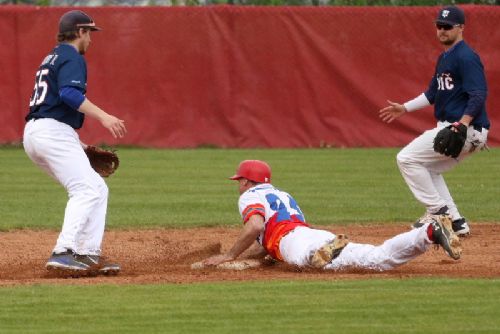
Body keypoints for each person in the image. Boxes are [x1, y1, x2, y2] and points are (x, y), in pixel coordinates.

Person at [201, 160, 461, 271]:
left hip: (293, 243)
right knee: (375, 259)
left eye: (240, 180)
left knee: (308, 261)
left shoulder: (249, 195)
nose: (239, 184)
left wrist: (229, 255)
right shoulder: (282, 194)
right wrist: (257, 256)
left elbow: (256, 226)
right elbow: (271, 234)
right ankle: (428, 232)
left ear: (247, 181)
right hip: (309, 234)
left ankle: (318, 255)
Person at [23, 10, 127, 275]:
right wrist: (104, 117)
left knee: (96, 188)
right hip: (51, 132)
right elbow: (68, 94)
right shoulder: (72, 56)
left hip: (40, 133)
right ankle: (63, 251)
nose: (91, 39)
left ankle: (88, 253)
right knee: (85, 189)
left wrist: (76, 144)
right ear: (80, 32)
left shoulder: (53, 56)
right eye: (90, 32)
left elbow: (54, 103)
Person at [379, 6, 489, 236]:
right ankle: (456, 222)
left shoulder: (466, 57)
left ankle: (439, 212)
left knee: (406, 159)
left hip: (463, 128)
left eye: (447, 26)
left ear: (460, 28)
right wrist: (405, 108)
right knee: (427, 168)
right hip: (459, 128)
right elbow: (432, 94)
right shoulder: (445, 58)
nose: (442, 30)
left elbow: (478, 94)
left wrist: (463, 123)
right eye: (439, 26)